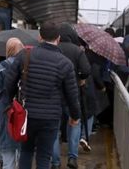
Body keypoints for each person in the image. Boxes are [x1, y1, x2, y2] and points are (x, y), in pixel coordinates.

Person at [5, 21, 81, 169]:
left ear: (40, 37)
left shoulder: (24, 55)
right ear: (58, 39)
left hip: (26, 115)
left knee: (26, 151)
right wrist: (75, 116)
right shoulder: (65, 63)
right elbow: (72, 94)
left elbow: (9, 82)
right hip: (50, 118)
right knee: (44, 156)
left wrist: (9, 104)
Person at [51, 23, 91, 169]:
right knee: (74, 123)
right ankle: (72, 158)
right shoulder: (78, 51)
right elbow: (86, 70)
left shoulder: (53, 48)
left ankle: (55, 162)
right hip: (72, 93)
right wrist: (80, 77)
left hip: (54, 95)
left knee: (54, 128)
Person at [0, 38, 24, 169]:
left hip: (7, 110)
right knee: (22, 148)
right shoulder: (26, 66)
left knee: (7, 150)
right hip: (22, 111)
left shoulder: (2, 66)